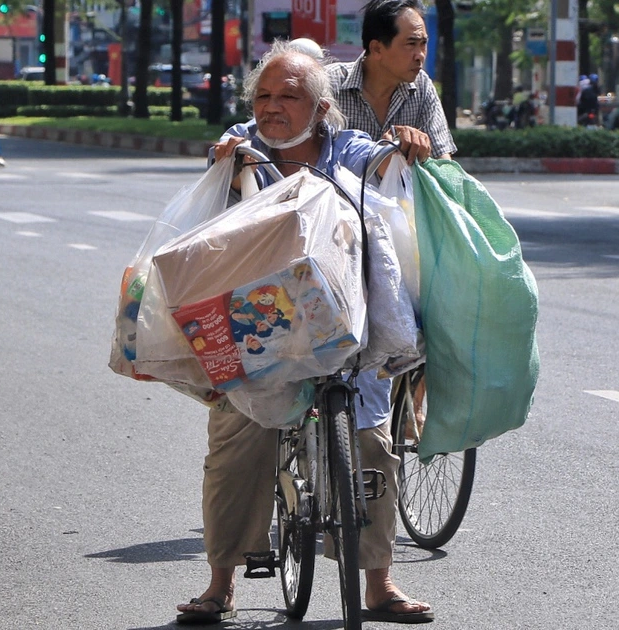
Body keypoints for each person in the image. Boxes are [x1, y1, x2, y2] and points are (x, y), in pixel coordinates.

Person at [175, 42, 434, 626]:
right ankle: (220, 584)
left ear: (319, 108)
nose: (272, 107)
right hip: (262, 327)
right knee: (237, 439)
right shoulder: (246, 145)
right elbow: (223, 164)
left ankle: (379, 583)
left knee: (370, 445)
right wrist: (227, 158)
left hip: (341, 324)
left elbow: (382, 163)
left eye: (288, 96)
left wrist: (406, 144)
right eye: (264, 95)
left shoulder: (348, 148)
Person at [326, 0, 456, 162]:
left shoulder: (421, 86)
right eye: (411, 44)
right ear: (377, 48)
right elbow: (313, 158)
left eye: (423, 44)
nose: (420, 55)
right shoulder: (330, 85)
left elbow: (442, 161)